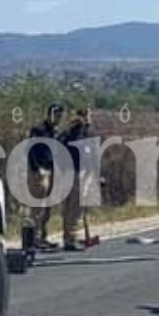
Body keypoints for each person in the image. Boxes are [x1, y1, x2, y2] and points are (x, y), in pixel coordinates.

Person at [24, 104, 63, 249]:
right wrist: (36, 168)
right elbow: (30, 150)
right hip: (39, 172)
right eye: (55, 114)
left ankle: (42, 236)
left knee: (47, 208)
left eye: (59, 115)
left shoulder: (55, 131)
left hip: (51, 171)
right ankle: (33, 239)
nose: (58, 118)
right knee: (37, 207)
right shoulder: (39, 129)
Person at [57, 107, 95, 251]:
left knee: (70, 207)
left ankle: (68, 237)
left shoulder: (71, 132)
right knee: (74, 207)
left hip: (70, 172)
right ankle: (71, 239)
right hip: (76, 172)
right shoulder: (79, 133)